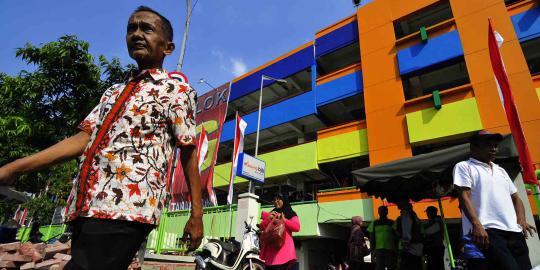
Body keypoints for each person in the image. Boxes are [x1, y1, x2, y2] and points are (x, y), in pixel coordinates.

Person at [0, 6, 204, 269]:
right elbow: (82, 139)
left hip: (127, 209)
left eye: (147, 28)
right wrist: (15, 167)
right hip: (86, 205)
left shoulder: (177, 90)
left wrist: (196, 213)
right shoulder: (112, 92)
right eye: (132, 28)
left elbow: (188, 150)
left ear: (168, 47)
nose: (137, 34)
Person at [453, 130, 536, 270]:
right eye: (489, 145)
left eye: (496, 146)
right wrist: (477, 225)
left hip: (514, 231)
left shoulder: (500, 170)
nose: (494, 149)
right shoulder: (464, 167)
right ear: (474, 147)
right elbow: (464, 197)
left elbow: (516, 197)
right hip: (488, 231)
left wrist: (521, 219)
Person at [260, 193, 301, 270]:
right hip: (270, 252)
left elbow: (297, 227)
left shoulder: (290, 213)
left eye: (278, 199)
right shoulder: (272, 213)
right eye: (274, 200)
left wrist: (284, 220)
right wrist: (268, 218)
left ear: (284, 200)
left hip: (283, 252)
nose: (276, 201)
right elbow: (262, 227)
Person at [395, 200, 423, 270]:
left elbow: (406, 231)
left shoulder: (406, 215)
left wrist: (405, 244)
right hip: (417, 248)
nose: (397, 204)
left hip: (410, 249)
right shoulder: (414, 216)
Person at [367, 206, 398, 270]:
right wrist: (373, 250)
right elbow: (371, 238)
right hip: (379, 250)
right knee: (379, 267)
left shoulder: (392, 222)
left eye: (383, 210)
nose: (382, 212)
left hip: (390, 249)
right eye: (381, 210)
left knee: (391, 267)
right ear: (378, 212)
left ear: (387, 212)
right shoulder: (374, 223)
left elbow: (396, 236)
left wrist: (396, 249)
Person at [423, 206, 445, 270]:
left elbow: (429, 231)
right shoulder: (434, 221)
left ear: (432, 212)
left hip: (436, 247)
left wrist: (423, 232)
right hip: (434, 247)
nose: (427, 214)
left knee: (436, 266)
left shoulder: (436, 220)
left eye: (428, 212)